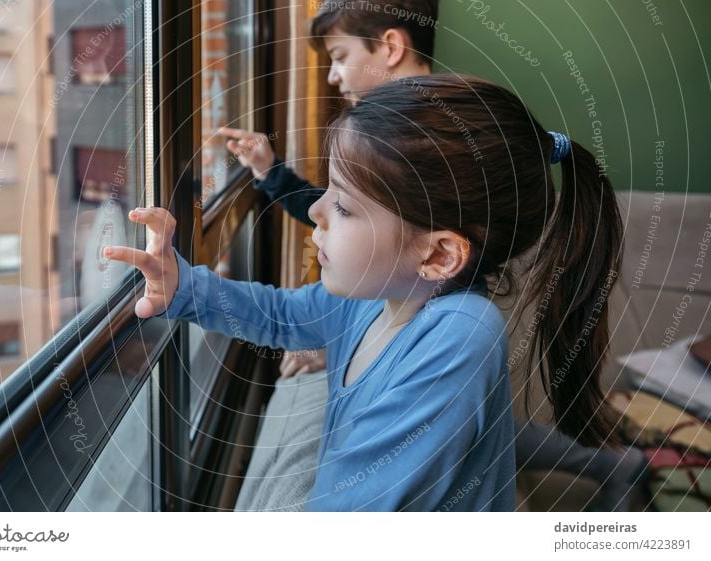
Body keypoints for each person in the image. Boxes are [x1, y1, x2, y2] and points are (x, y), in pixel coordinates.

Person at [105, 72, 626, 511]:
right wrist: (184, 285)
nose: (313, 211)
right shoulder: (369, 297)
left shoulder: (462, 334)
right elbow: (280, 315)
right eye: (328, 190)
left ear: (439, 255)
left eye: (345, 207)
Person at [227, 1, 650, 511]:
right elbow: (348, 217)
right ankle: (608, 463)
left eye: (339, 56)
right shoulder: (392, 127)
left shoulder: (422, 134)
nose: (334, 77)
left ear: (389, 46)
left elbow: (358, 225)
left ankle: (607, 463)